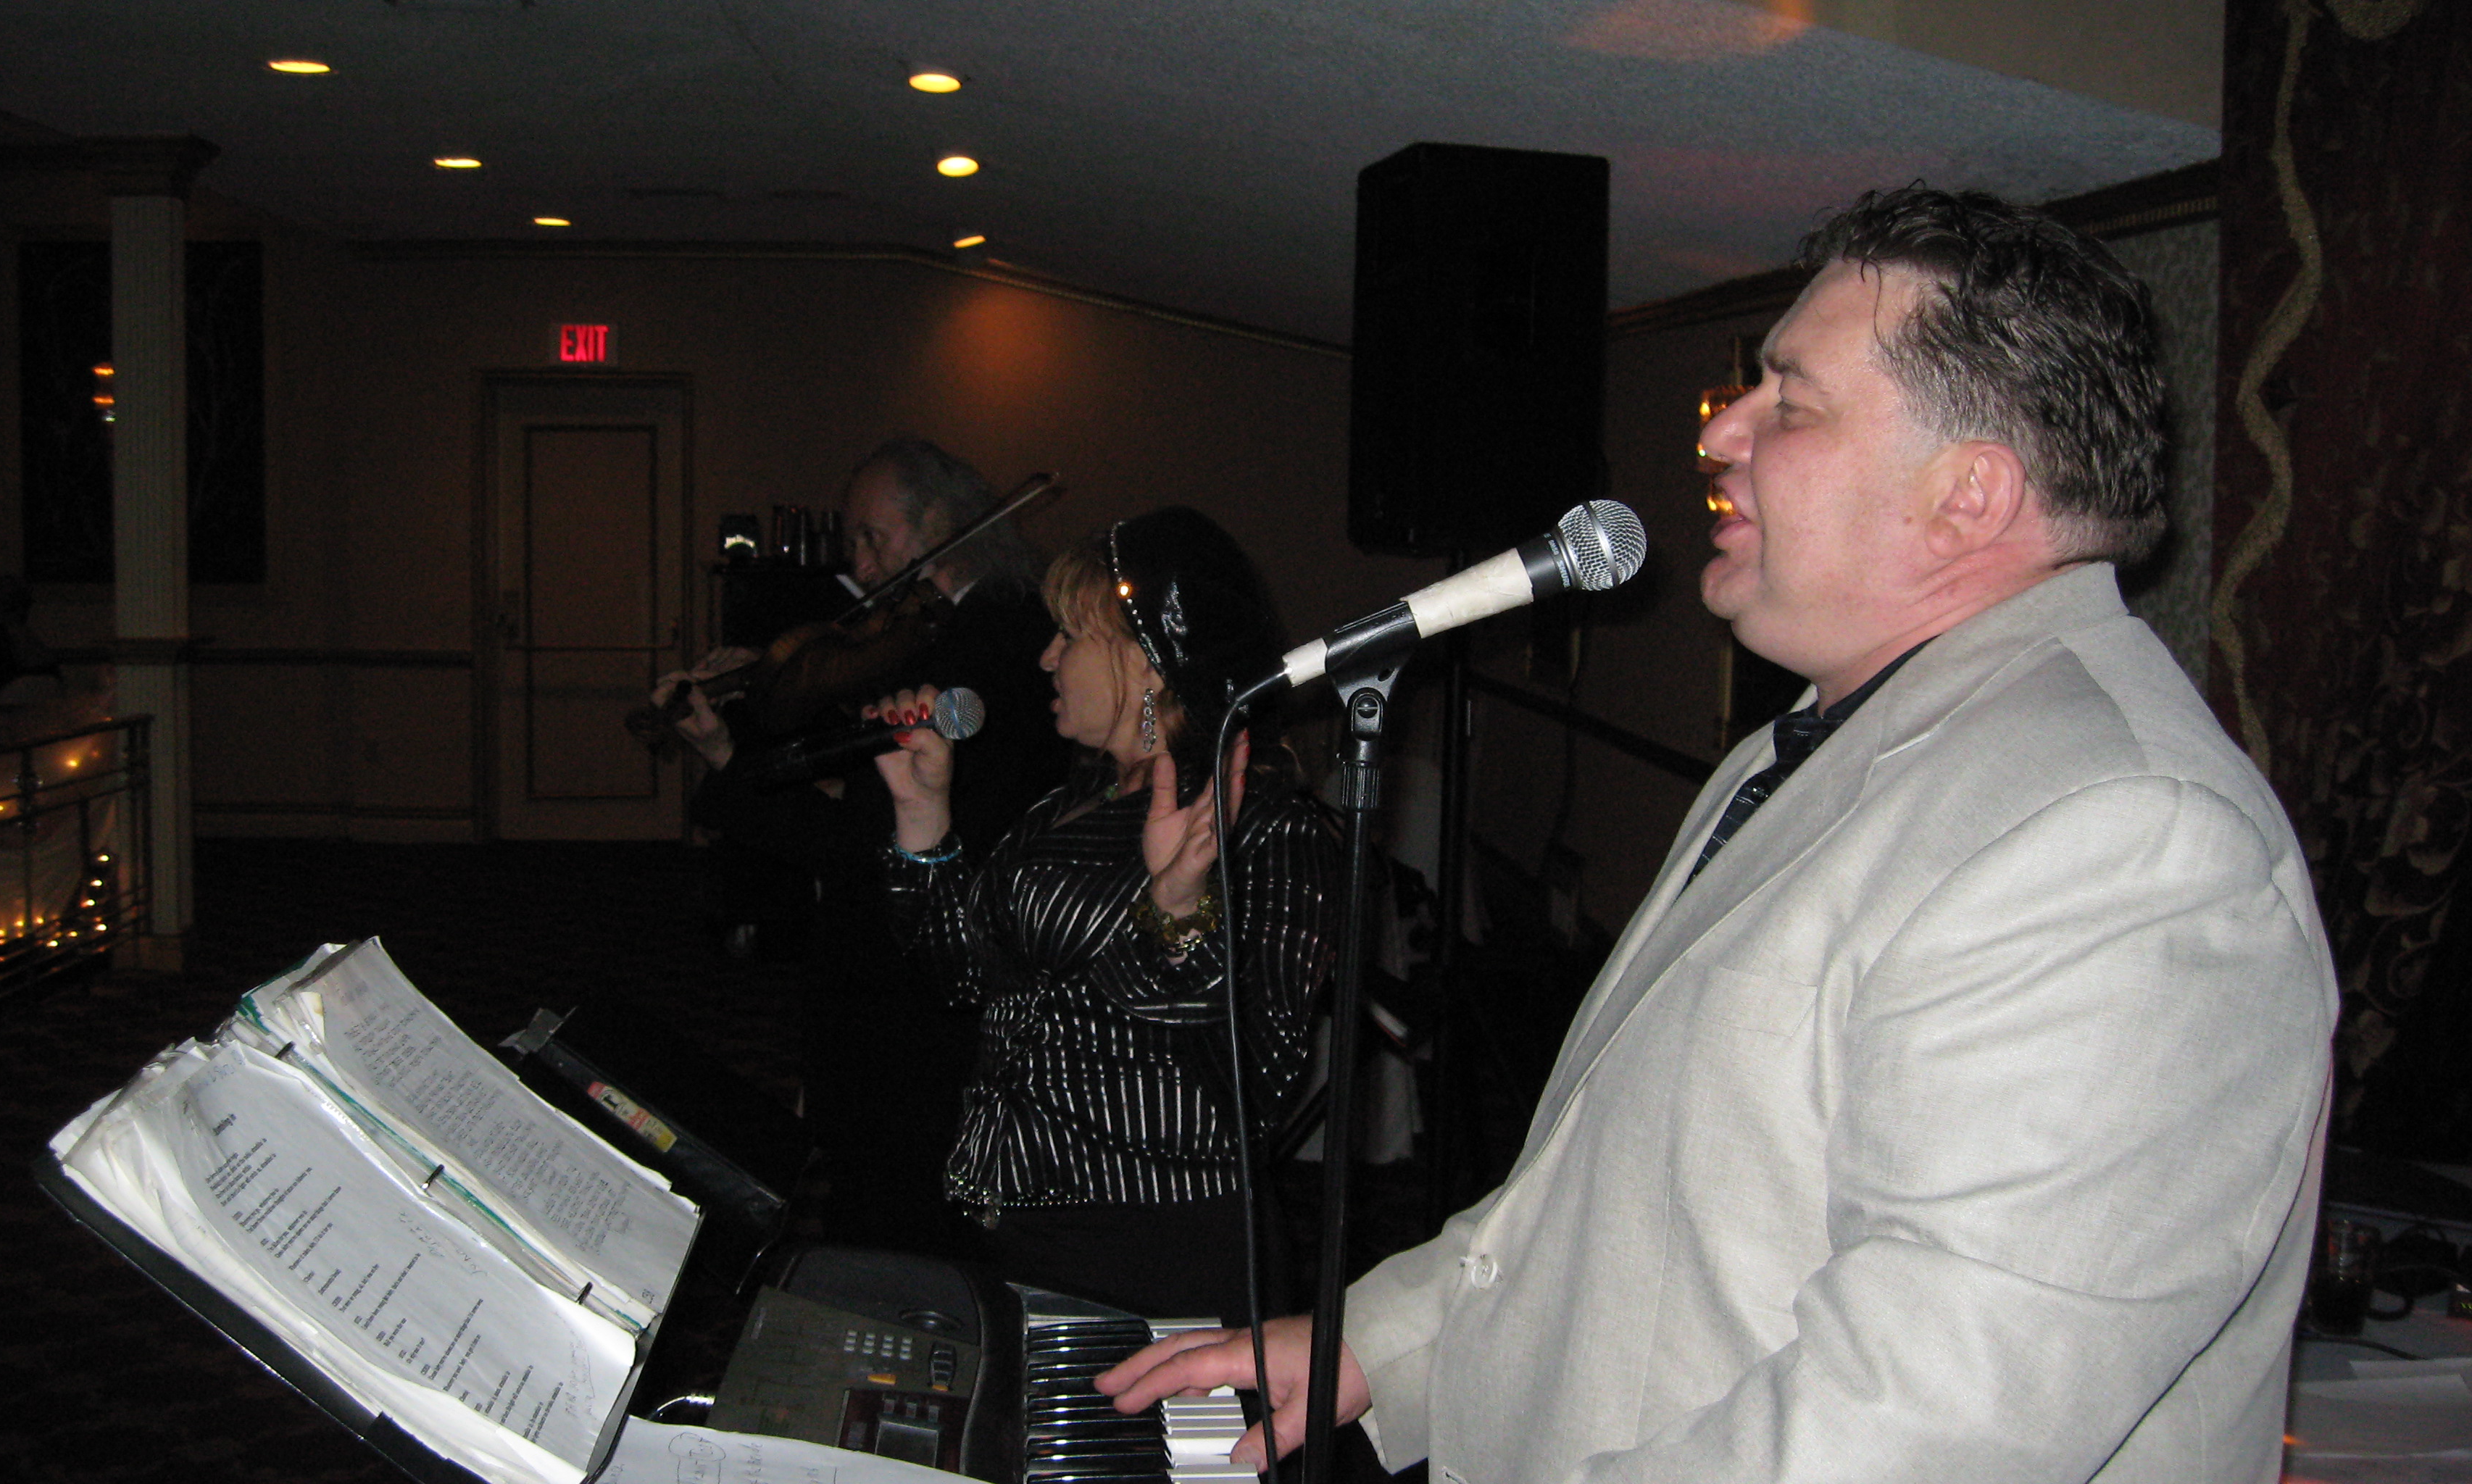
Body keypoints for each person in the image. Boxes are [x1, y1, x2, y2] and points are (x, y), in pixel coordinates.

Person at [1102, 186, 2338, 1483]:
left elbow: (1916, 1429)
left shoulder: (2128, 839)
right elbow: (1625, 1181)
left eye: (1789, 402)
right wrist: (1381, 1340)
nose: (1719, 432)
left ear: (1968, 496)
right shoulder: (1804, 742)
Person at [870, 507, 1341, 1321]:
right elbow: (966, 978)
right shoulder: (1065, 804)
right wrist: (923, 816)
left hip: (1153, 1244)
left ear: (1148, 662)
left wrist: (1175, 910)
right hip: (1014, 1219)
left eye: (1069, 636)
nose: (1046, 656)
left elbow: (1257, 1078)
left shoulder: (1267, 828)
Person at [654, 438, 1065, 1256]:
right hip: (906, 985)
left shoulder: (986, 650)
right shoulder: (944, 633)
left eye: (874, 538)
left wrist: (730, 761)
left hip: (913, 1001)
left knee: (893, 1227)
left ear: (941, 524)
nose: (861, 566)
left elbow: (863, 846)